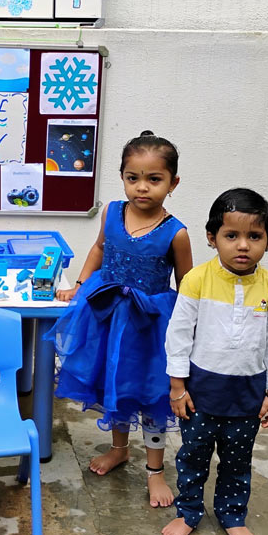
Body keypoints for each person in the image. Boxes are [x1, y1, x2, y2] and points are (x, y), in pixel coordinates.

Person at [48, 131, 193, 507]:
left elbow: (187, 286)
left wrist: (189, 332)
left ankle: (155, 471)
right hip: (107, 315)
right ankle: (119, 449)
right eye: (133, 178)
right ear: (123, 178)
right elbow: (99, 249)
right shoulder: (112, 212)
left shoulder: (176, 233)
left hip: (149, 325)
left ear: (173, 183)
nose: (142, 187)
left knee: (151, 394)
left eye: (154, 179)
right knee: (113, 384)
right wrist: (79, 286)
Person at [162, 188, 268, 535]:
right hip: (199, 395)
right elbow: (178, 336)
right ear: (212, 237)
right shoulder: (197, 280)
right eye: (231, 235)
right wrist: (177, 388)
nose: (243, 245)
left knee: (237, 463)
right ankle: (188, 513)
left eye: (255, 236)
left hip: (247, 398)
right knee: (192, 459)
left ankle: (232, 515)